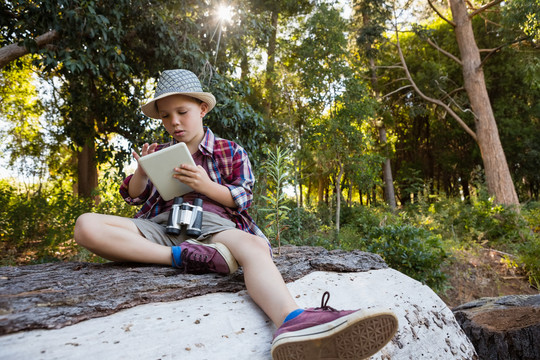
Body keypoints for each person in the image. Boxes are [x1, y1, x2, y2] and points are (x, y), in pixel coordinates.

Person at [74, 69, 398, 359]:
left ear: (202, 109)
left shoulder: (228, 150)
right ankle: (181, 256)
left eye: (182, 112)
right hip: (163, 223)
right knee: (86, 225)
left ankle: (292, 320)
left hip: (213, 223)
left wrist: (205, 184)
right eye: (166, 116)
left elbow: (242, 197)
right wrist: (142, 172)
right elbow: (134, 195)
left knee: (253, 248)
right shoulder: (159, 153)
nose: (174, 122)